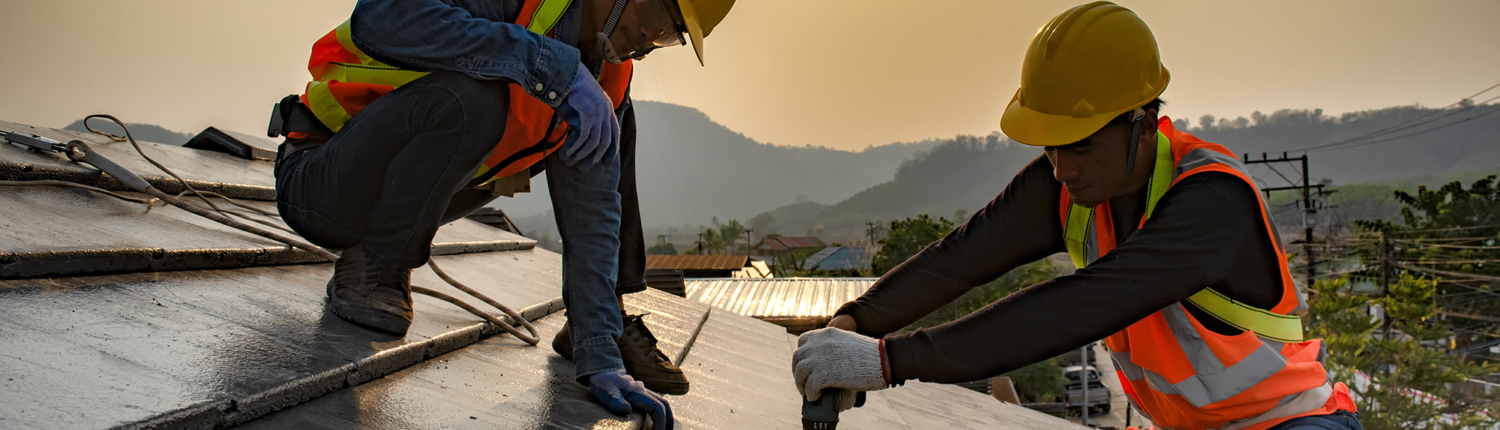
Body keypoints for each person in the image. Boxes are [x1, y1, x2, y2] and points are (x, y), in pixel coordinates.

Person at [790, 3, 1361, 430]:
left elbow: (1078, 306)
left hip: (1294, 423)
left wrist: (888, 361)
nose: (1062, 168)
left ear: (1140, 121)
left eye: (1081, 145)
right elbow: (960, 260)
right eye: (1050, 148)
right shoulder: (1068, 187)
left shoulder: (1211, 201)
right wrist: (853, 326)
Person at [270, 0, 735, 427]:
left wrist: (600, 354)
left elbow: (592, 213)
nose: (653, 43)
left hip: (410, 193)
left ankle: (384, 249)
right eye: (662, 18)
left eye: (671, 36)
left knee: (606, 122)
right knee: (478, 99)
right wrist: (548, 65)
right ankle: (379, 261)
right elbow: (381, 17)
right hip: (323, 178)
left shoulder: (605, 77)